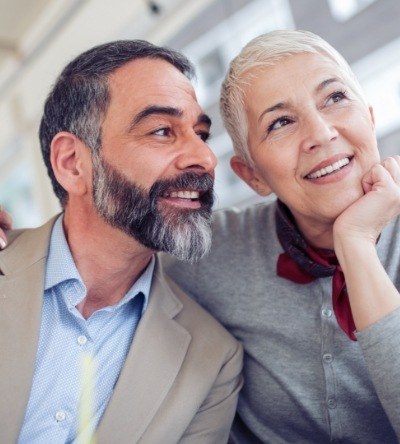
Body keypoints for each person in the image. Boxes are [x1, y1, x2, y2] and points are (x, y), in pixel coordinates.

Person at [0, 30, 400, 443]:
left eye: (336, 98)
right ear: (252, 176)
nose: (322, 132)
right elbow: (109, 243)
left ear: (370, 119)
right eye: (281, 122)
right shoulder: (204, 251)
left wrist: (357, 247)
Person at [0, 40, 242, 443]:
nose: (205, 157)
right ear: (73, 164)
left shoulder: (213, 363)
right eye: (163, 130)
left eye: (200, 133)